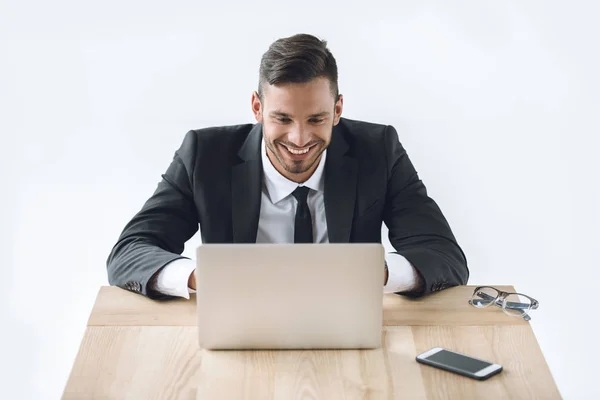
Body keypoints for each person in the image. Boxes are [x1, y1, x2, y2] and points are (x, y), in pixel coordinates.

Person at [106, 33, 469, 300]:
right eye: (282, 118)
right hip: (240, 327)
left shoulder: (378, 150)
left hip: (348, 329)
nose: (299, 139)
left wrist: (379, 272)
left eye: (316, 119)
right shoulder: (203, 154)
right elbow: (130, 251)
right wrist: (203, 277)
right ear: (257, 108)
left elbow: (443, 255)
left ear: (338, 110)